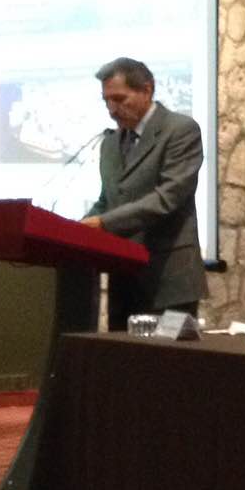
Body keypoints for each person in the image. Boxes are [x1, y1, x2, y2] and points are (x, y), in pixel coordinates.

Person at [81, 56, 204, 329]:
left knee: (164, 358)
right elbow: (107, 200)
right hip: (123, 281)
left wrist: (103, 223)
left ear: (147, 90)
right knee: (120, 356)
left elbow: (167, 198)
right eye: (106, 101)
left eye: (119, 99)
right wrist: (76, 228)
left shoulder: (180, 130)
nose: (112, 109)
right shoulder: (110, 144)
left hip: (168, 281)